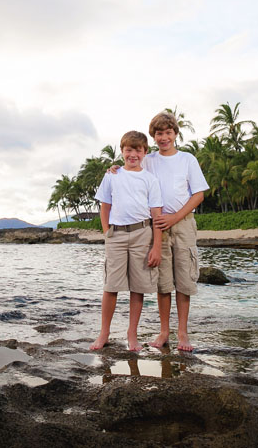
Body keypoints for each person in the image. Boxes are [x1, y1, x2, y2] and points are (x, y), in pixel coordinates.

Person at [109, 111, 208, 351]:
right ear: (153, 137)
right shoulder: (149, 159)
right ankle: (164, 331)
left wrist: (176, 216)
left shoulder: (187, 159)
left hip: (182, 223)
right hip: (157, 226)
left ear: (175, 134)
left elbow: (199, 194)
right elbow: (130, 166)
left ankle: (183, 333)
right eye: (159, 133)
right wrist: (114, 168)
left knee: (184, 280)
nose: (164, 137)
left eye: (168, 132)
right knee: (163, 283)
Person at [89, 130, 163, 352]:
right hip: (116, 235)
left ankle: (132, 334)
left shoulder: (150, 179)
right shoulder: (112, 175)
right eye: (128, 150)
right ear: (122, 152)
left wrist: (156, 246)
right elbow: (105, 206)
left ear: (145, 152)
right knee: (111, 286)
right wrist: (106, 232)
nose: (133, 154)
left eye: (137, 150)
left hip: (142, 233)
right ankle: (104, 333)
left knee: (137, 287)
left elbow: (157, 215)